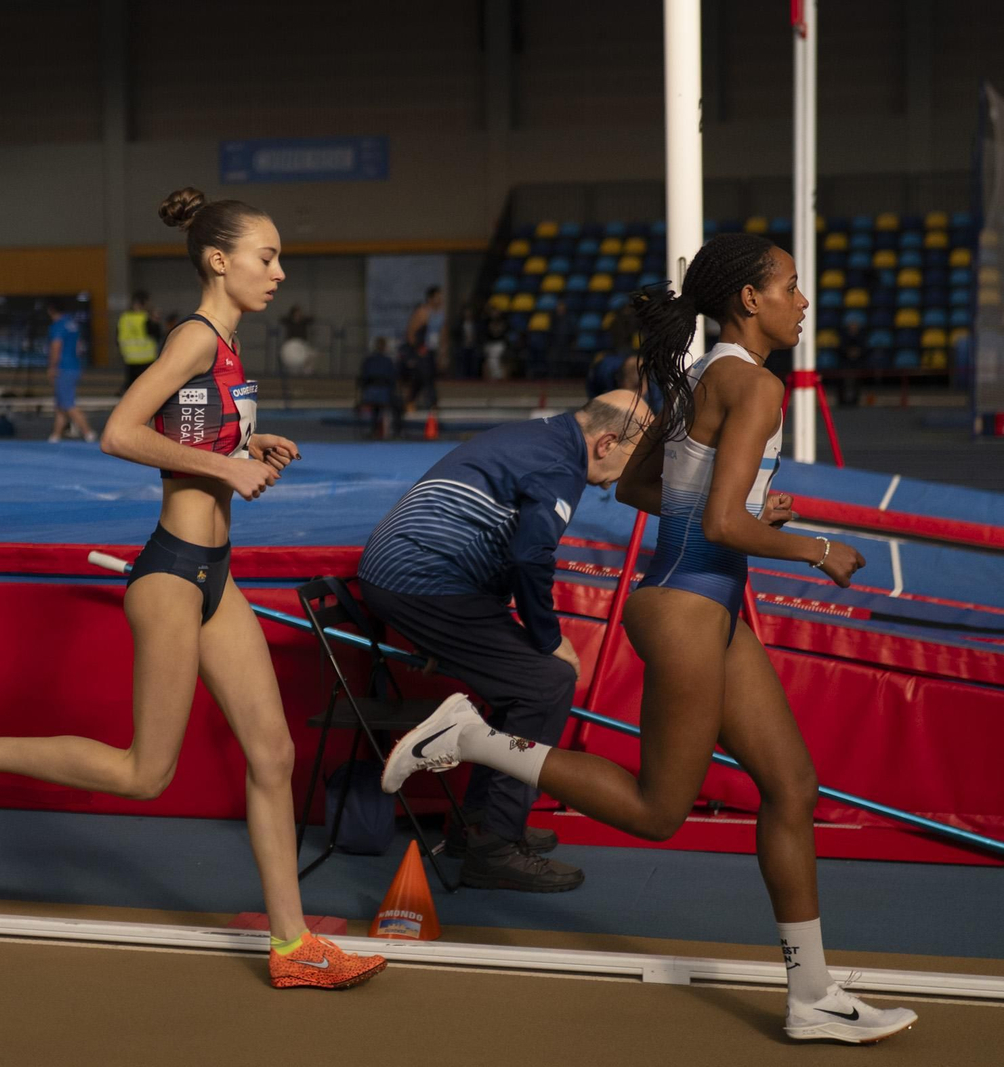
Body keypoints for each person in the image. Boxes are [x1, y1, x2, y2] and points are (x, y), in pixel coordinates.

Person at [381, 234, 917, 1044]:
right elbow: (722, 519)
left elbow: (641, 484)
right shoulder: (756, 387)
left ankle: (812, 994)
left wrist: (744, 509)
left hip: (704, 599)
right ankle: (472, 737)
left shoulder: (704, 377)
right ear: (750, 300)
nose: (803, 302)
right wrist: (814, 547)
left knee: (793, 786)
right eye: (792, 287)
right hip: (690, 608)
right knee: (659, 808)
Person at [0, 186, 386, 990]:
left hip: (214, 573)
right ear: (219, 260)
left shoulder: (226, 346)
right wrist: (227, 465)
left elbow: (189, 432)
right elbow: (120, 432)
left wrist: (246, 441)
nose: (280, 272)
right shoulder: (198, 336)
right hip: (170, 575)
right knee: (144, 773)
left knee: (272, 751)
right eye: (267, 258)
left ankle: (293, 944)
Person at [359, 390, 648, 891]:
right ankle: (494, 845)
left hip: (415, 574)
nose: (625, 475)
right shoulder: (561, 465)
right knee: (548, 683)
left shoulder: (541, 435)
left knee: (522, 682)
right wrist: (548, 637)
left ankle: (479, 824)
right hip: (421, 580)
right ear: (606, 443)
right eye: (631, 459)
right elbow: (529, 558)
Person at [46, 300, 95, 443]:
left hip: (63, 368)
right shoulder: (73, 325)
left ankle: (88, 432)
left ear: (51, 311)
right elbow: (79, 347)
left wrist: (52, 367)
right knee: (61, 405)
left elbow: (56, 347)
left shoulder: (57, 326)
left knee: (68, 404)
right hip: (74, 366)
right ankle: (55, 436)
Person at [117, 290, 163, 394]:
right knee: (146, 387)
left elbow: (118, 336)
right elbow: (157, 335)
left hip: (129, 357)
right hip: (146, 357)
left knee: (131, 386)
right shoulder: (146, 318)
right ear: (144, 303)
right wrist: (155, 321)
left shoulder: (124, 317)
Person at [356, 335, 402, 439]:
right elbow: (393, 379)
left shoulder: (368, 361)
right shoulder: (388, 361)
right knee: (396, 404)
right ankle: (395, 431)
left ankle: (374, 429)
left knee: (376, 406)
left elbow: (363, 378)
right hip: (383, 394)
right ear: (385, 347)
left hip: (370, 394)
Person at [278, 304, 316, 374]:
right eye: (296, 313)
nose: (298, 314)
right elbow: (281, 319)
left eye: (299, 313)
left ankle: (307, 374)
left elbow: (312, 319)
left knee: (312, 354)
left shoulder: (304, 321)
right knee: (292, 360)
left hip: (302, 343)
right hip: (291, 344)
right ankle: (291, 375)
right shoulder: (289, 321)